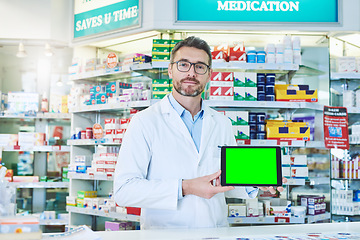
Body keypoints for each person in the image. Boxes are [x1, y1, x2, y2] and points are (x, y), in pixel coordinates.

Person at [114, 36, 283, 229]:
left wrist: (255, 183)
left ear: (209, 74)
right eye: (183, 64)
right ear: (170, 69)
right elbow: (124, 190)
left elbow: (227, 182)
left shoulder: (222, 123)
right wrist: (186, 187)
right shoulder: (144, 122)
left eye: (200, 66)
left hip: (214, 230)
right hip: (166, 233)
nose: (191, 73)